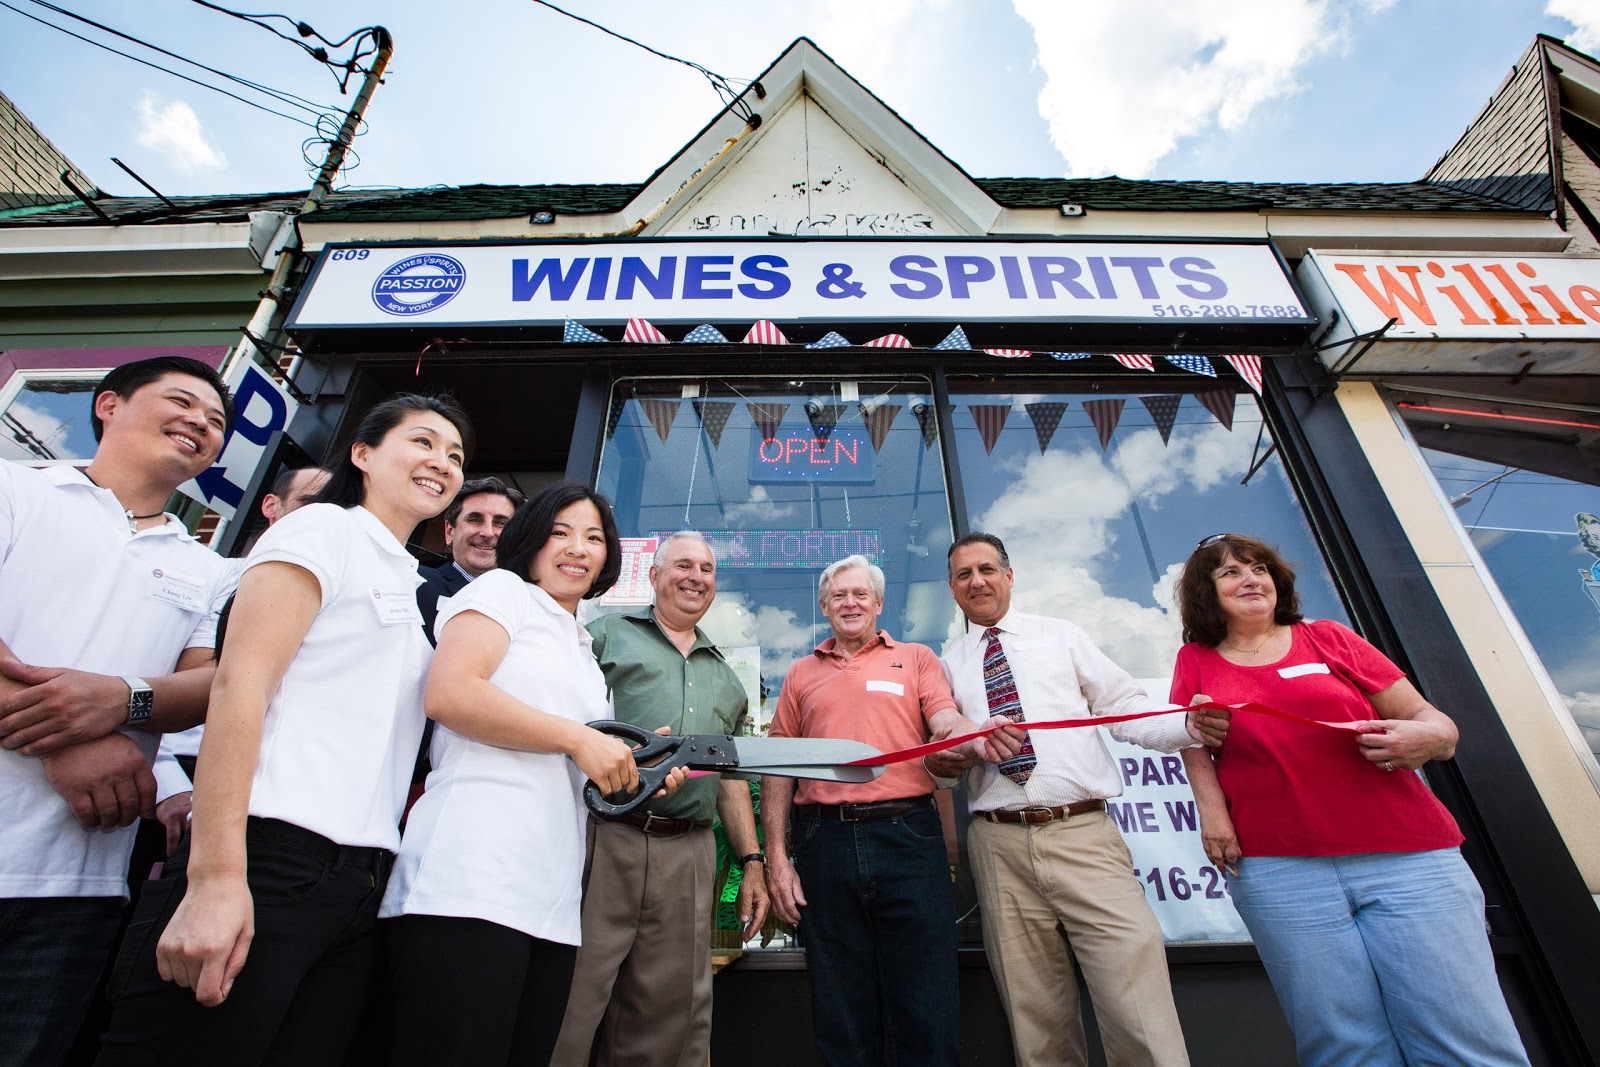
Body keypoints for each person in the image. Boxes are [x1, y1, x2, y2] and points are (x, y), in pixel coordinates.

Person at [93, 393, 474, 1065]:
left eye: (455, 455)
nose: (441, 463)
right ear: (362, 453)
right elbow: (241, 686)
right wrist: (215, 877)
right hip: (267, 855)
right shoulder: (322, 529)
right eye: (422, 442)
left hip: (359, 881)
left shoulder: (412, 581)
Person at [1171, 533, 1530, 1067]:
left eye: (1258, 568)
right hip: (1280, 871)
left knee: (1464, 1037)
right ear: (1206, 593)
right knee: (1343, 1048)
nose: (1249, 579)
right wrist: (1214, 815)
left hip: (1408, 861)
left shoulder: (1329, 638)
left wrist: (1429, 738)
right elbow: (1193, 742)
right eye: (1229, 573)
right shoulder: (1195, 659)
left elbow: (1431, 721)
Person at [382, 482, 675, 1066]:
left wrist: (637, 772)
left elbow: (577, 766)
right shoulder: (502, 592)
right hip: (469, 883)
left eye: (594, 537)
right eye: (560, 532)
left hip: (552, 897)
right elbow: (450, 692)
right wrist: (580, 737)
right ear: (530, 539)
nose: (578, 548)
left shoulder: (583, 645)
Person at [0, 356, 234, 1067]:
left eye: (217, 420)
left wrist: (122, 698)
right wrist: (63, 739)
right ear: (108, 405)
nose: (201, 421)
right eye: (182, 401)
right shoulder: (17, 490)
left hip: (77, 882)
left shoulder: (209, 569)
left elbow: (210, 685)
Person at [933, 532, 1224, 1067]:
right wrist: (955, 755)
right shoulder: (945, 667)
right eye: (963, 575)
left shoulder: (1061, 636)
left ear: (1009, 575)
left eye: (987, 569)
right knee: (1035, 1018)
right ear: (951, 589)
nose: (977, 581)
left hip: (1084, 835)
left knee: (1137, 1004)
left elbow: (1125, 707)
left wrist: (1187, 723)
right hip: (998, 848)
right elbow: (942, 760)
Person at [551, 532, 767, 1067]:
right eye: (683, 565)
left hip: (686, 853)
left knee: (670, 1012)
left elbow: (731, 780)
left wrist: (752, 860)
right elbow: (560, 721)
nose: (696, 577)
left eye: (707, 569)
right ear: (653, 575)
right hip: (604, 839)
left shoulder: (727, 679)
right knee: (570, 997)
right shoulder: (601, 637)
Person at [761, 554, 973, 1067]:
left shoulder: (918, 658)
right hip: (823, 844)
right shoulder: (799, 674)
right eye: (839, 596)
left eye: (860, 595)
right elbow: (776, 766)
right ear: (824, 606)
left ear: (879, 604)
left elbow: (945, 717)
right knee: (840, 1006)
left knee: (926, 1001)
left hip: (908, 836)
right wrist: (776, 857)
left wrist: (958, 736)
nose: (850, 603)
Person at [149, 465, 331, 856]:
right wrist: (168, 781)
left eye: (335, 507)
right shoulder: (220, 575)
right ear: (272, 506)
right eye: (310, 504)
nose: (323, 516)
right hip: (177, 776)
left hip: (274, 795)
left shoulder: (338, 596)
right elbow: (163, 674)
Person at [415, 476, 523, 642]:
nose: (487, 532)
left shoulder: (525, 602)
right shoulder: (416, 584)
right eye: (475, 520)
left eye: (500, 523)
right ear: (449, 531)